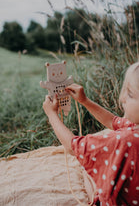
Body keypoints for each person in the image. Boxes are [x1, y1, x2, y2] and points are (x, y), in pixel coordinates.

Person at [42, 62, 139, 205]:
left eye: (130, 94)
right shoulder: (134, 129)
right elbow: (113, 121)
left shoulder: (126, 141)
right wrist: (85, 101)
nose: (122, 97)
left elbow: (73, 146)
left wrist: (52, 115)